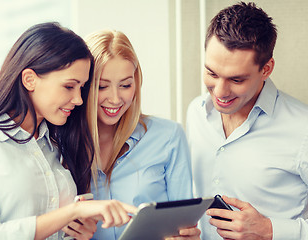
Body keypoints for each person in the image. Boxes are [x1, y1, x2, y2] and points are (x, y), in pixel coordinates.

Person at [0, 22, 136, 240]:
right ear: (30, 80)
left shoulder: (57, 143)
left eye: (82, 88)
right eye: (69, 86)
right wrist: (71, 212)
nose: (78, 99)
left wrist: (77, 234)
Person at [186, 2, 308, 240]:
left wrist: (270, 230)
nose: (220, 92)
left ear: (266, 69)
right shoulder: (195, 112)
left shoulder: (303, 130)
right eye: (211, 73)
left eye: (237, 79)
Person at [81, 29, 199, 240]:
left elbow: (184, 224)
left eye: (125, 85)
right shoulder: (60, 143)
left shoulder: (169, 136)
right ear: (83, 85)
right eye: (102, 86)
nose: (115, 99)